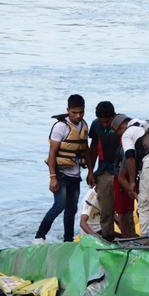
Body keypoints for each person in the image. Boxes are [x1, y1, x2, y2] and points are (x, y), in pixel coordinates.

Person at [34, 94, 93, 243]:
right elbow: (52, 153)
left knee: (71, 209)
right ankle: (39, 236)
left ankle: (68, 240)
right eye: (74, 112)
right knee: (59, 205)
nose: (78, 116)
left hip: (75, 174)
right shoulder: (60, 127)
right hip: (60, 173)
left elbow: (86, 150)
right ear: (68, 110)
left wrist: (91, 172)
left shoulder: (84, 125)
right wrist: (52, 177)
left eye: (81, 112)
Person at [88, 101, 120, 241]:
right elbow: (93, 148)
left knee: (125, 210)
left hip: (120, 170)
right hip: (104, 171)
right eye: (103, 122)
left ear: (114, 116)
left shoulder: (122, 125)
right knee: (106, 209)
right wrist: (90, 171)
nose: (105, 124)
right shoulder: (96, 125)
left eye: (108, 121)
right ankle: (108, 238)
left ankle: (130, 237)